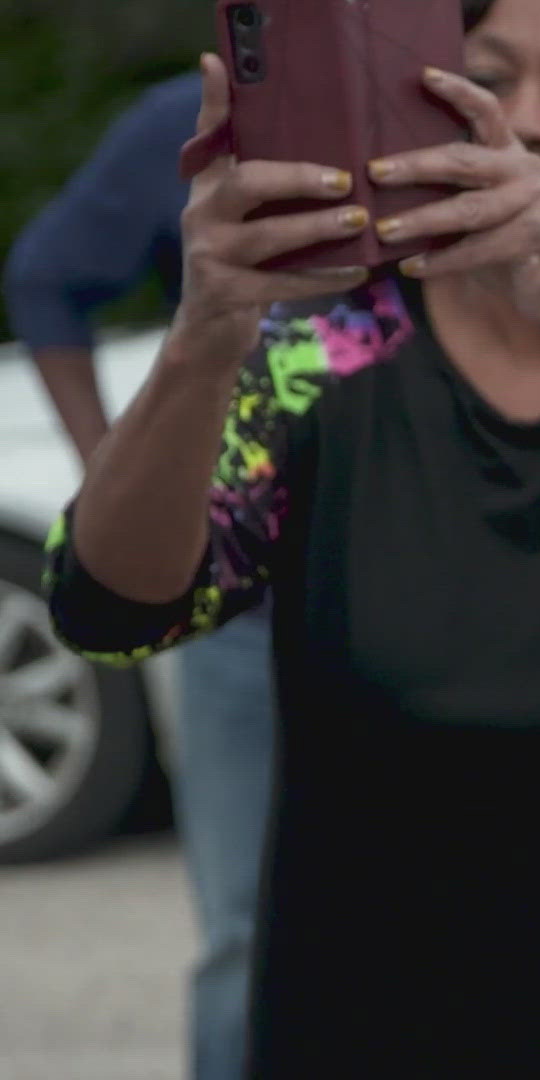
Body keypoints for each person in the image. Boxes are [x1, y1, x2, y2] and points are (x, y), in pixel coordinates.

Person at [43, 0, 540, 1073]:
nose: (522, 124)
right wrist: (207, 332)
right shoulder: (326, 350)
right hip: (358, 1024)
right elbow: (114, 608)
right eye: (482, 80)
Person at [2, 71, 273, 1080]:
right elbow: (48, 276)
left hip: (440, 589)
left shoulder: (485, 94)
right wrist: (104, 471)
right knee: (244, 929)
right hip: (241, 604)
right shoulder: (191, 127)